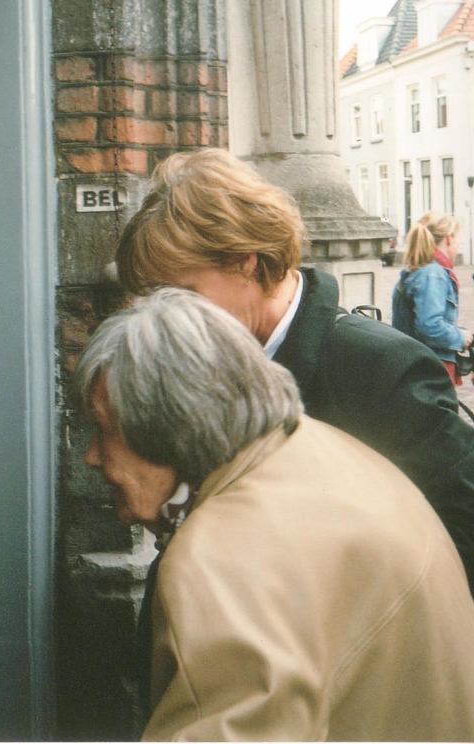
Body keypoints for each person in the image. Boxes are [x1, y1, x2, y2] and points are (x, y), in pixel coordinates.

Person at [75, 288, 474, 741]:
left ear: (168, 425)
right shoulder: (314, 448)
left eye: (104, 429)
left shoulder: (221, 556)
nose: (92, 456)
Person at [115, 148, 474, 593]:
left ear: (244, 260)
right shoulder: (208, 358)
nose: (166, 315)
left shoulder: (381, 368)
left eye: (182, 293)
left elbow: (459, 540)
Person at [392, 211, 473, 385]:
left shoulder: (422, 270)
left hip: (417, 365)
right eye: (457, 239)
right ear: (449, 239)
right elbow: (430, 326)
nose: (458, 245)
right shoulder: (433, 274)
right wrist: (460, 337)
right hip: (431, 369)